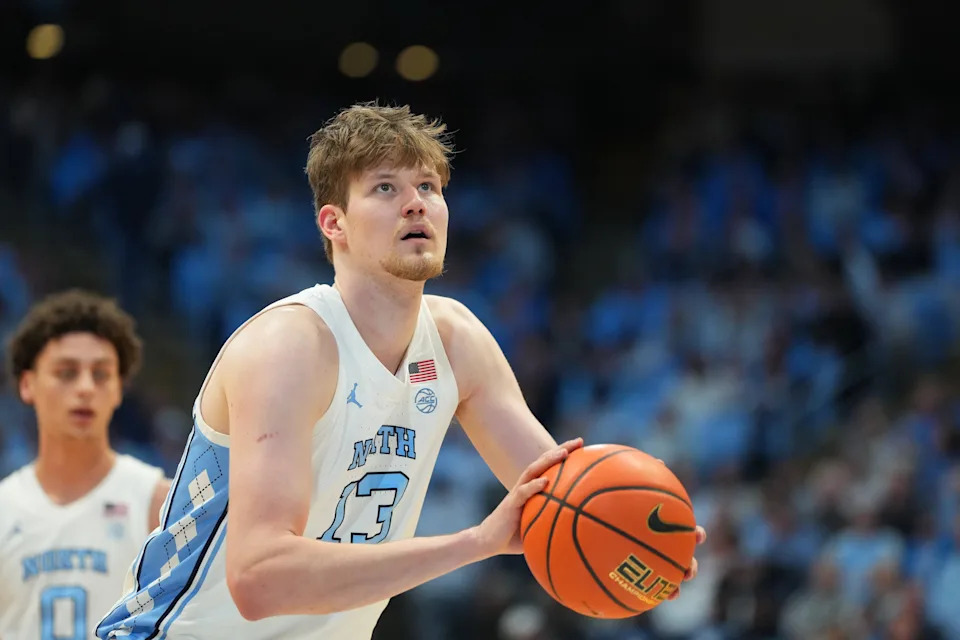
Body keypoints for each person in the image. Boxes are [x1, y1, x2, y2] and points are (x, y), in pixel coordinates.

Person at [96, 103, 706, 639]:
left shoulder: (456, 340)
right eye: (385, 188)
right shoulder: (290, 346)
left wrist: (647, 545)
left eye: (429, 186)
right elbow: (260, 579)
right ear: (333, 223)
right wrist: (475, 543)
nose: (416, 201)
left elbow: (559, 504)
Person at [0, 289, 170, 639]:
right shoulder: (4, 509)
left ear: (119, 388)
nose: (85, 388)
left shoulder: (158, 504)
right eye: (66, 373)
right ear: (27, 384)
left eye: (101, 374)